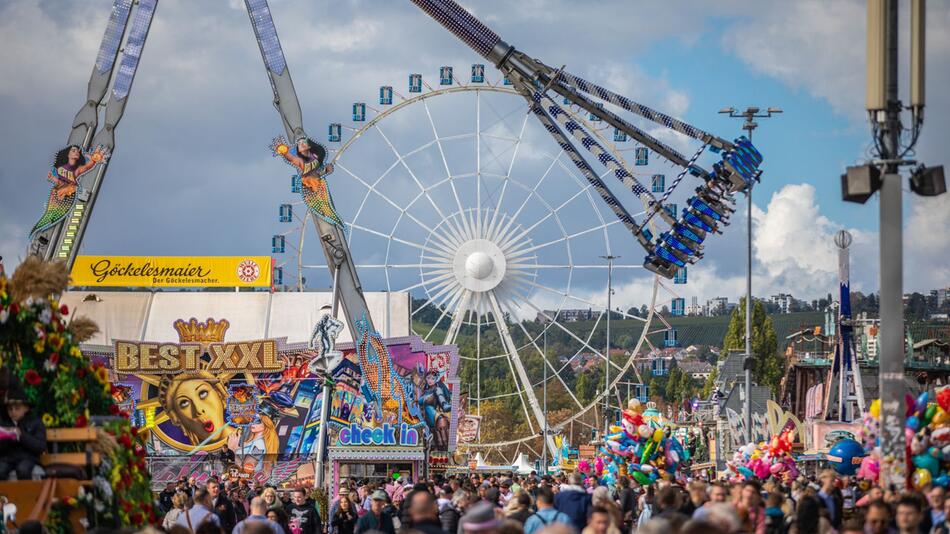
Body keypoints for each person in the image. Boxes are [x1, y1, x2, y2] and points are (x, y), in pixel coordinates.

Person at [0, 386, 47, 481]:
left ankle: (26, 495)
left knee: (23, 469)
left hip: (28, 458)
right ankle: (3, 495)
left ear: (26, 408)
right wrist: (7, 436)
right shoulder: (4, 423)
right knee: (1, 470)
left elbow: (40, 446)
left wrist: (21, 435)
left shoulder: (35, 422)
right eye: (10, 409)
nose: (13, 412)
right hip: (8, 458)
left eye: (17, 408)